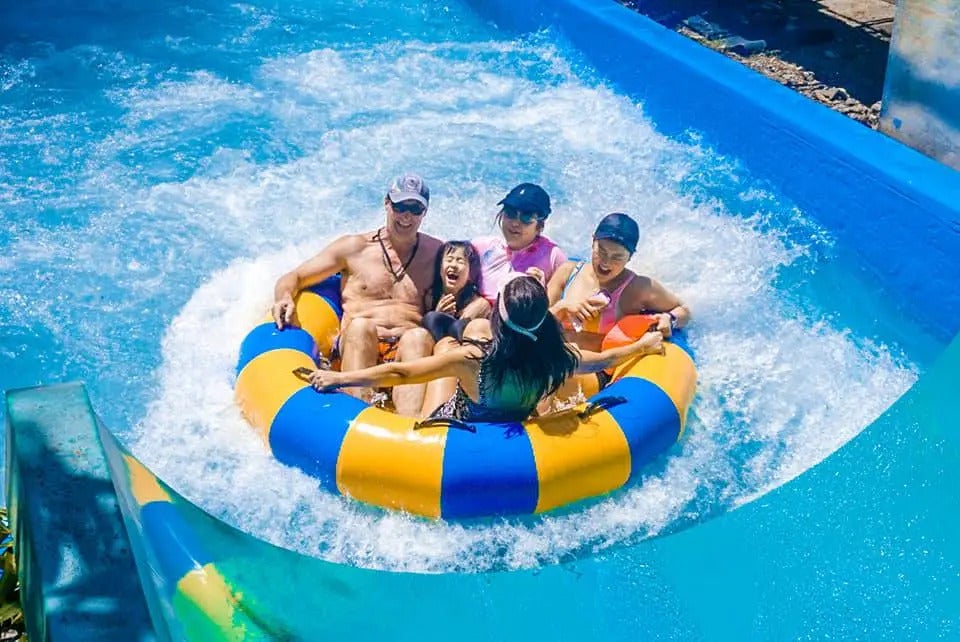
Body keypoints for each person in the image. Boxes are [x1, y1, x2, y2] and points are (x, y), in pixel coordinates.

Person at [306, 275, 665, 422]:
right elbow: (606, 359)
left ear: (498, 318)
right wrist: (644, 344)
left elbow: (400, 372)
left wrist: (340, 376)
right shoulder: (557, 359)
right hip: (517, 426)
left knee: (444, 343)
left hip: (456, 430)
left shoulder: (472, 360)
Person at [271, 173, 442, 415]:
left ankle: (409, 430)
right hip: (358, 347)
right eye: (400, 206)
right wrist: (284, 297)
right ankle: (357, 421)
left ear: (424, 212)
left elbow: (475, 289)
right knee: (362, 327)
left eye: (415, 209)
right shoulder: (354, 248)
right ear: (386, 203)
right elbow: (295, 277)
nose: (406, 216)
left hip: (407, 352)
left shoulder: (437, 254)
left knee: (418, 336)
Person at [546, 212, 691, 399]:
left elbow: (684, 310)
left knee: (556, 378)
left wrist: (669, 319)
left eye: (617, 257)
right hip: (553, 356)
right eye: (601, 251)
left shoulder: (638, 288)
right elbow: (535, 324)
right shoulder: (568, 272)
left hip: (594, 370)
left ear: (630, 257)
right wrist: (562, 307)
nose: (606, 263)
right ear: (592, 241)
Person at [471, 183, 567, 304]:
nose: (515, 223)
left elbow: (564, 302)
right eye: (510, 213)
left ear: (540, 226)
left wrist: (540, 290)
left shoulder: (552, 256)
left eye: (526, 217)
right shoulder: (481, 247)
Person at [420, 241, 491, 343]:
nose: (453, 265)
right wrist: (438, 315)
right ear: (440, 268)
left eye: (460, 261)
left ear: (471, 273)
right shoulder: (430, 297)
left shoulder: (476, 303)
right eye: (449, 260)